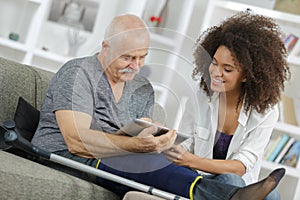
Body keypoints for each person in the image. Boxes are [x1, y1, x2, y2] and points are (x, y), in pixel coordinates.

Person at [31, 14, 285, 200]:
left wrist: (150, 139)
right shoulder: (78, 73)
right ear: (105, 47)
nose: (136, 65)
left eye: (142, 57)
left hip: (110, 158)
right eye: (128, 57)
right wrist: (137, 145)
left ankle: (231, 195)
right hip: (67, 157)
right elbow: (76, 142)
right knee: (144, 162)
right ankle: (230, 197)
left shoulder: (141, 88)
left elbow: (123, 142)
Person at [164, 10, 290, 200]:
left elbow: (241, 166)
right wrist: (169, 145)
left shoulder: (265, 112)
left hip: (236, 179)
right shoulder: (199, 99)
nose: (216, 72)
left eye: (227, 69)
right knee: (233, 183)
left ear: (247, 75)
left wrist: (193, 160)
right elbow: (184, 145)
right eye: (214, 63)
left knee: (271, 195)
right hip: (199, 178)